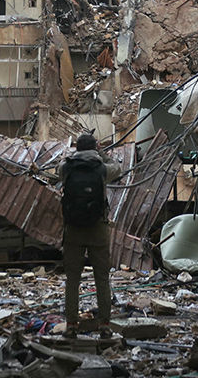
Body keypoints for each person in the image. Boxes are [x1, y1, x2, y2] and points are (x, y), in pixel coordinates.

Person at [59, 131, 122, 337]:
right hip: (98, 229)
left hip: (73, 230)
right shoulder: (103, 169)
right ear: (95, 148)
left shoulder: (65, 168)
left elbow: (59, 174)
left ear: (77, 148)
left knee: (73, 280)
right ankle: (104, 325)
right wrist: (101, 154)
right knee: (102, 279)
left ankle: (71, 326)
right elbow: (119, 167)